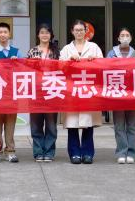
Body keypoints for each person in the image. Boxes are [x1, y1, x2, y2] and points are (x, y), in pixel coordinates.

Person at [59, 20, 103, 165]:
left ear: (86, 31)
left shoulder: (94, 47)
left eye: (81, 30)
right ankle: (75, 153)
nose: (79, 32)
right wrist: (69, 60)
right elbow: (60, 67)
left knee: (88, 124)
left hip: (88, 90)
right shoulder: (66, 49)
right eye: (76, 30)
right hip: (72, 90)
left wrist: (94, 60)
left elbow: (103, 66)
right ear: (72, 31)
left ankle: (88, 153)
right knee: (72, 125)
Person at [0, 22, 25, 163]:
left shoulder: (17, 52)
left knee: (10, 125)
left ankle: (10, 151)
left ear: (9, 34)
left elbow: (24, 72)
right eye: (0, 32)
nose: (3, 34)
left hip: (11, 94)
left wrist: (17, 64)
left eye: (5, 32)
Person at [107, 27, 135, 164]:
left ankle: (131, 153)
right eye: (122, 35)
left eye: (127, 35)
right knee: (119, 125)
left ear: (131, 38)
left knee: (132, 125)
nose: (125, 37)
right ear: (118, 38)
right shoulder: (111, 54)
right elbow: (105, 70)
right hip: (117, 94)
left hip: (133, 95)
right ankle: (122, 152)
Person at [27, 24, 60, 162]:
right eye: (42, 32)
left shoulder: (57, 52)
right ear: (38, 35)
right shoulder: (32, 51)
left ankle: (49, 152)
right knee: (36, 125)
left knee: (51, 125)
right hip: (36, 92)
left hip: (52, 91)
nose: (44, 35)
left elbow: (63, 70)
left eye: (47, 32)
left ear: (51, 35)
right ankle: (38, 152)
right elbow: (25, 71)